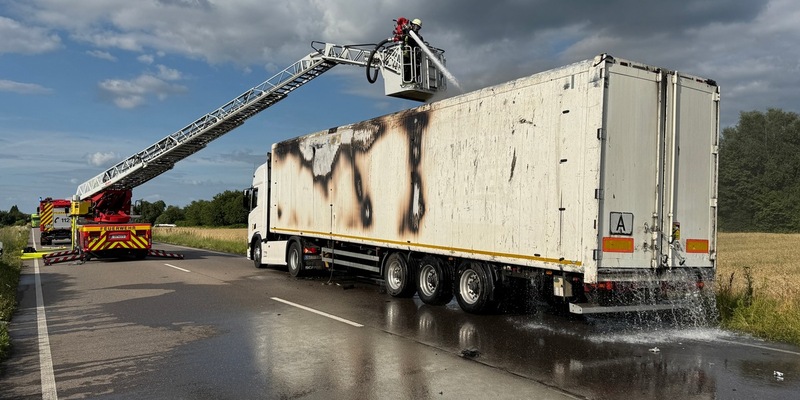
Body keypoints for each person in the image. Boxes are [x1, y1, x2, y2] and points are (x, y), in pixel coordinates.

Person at [401, 18, 424, 83]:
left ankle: (414, 80)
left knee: (416, 69)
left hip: (415, 57)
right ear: (412, 25)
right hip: (406, 55)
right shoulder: (407, 32)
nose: (417, 28)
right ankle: (406, 81)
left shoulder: (419, 37)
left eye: (418, 27)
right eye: (416, 26)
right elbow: (402, 38)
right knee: (406, 68)